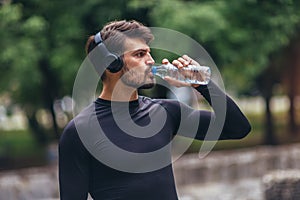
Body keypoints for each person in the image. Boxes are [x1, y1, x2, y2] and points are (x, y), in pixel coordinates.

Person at [59, 20, 251, 200]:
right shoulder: (79, 131)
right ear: (111, 63)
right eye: (140, 54)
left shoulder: (166, 112)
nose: (151, 60)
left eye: (149, 53)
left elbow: (238, 128)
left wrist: (202, 83)